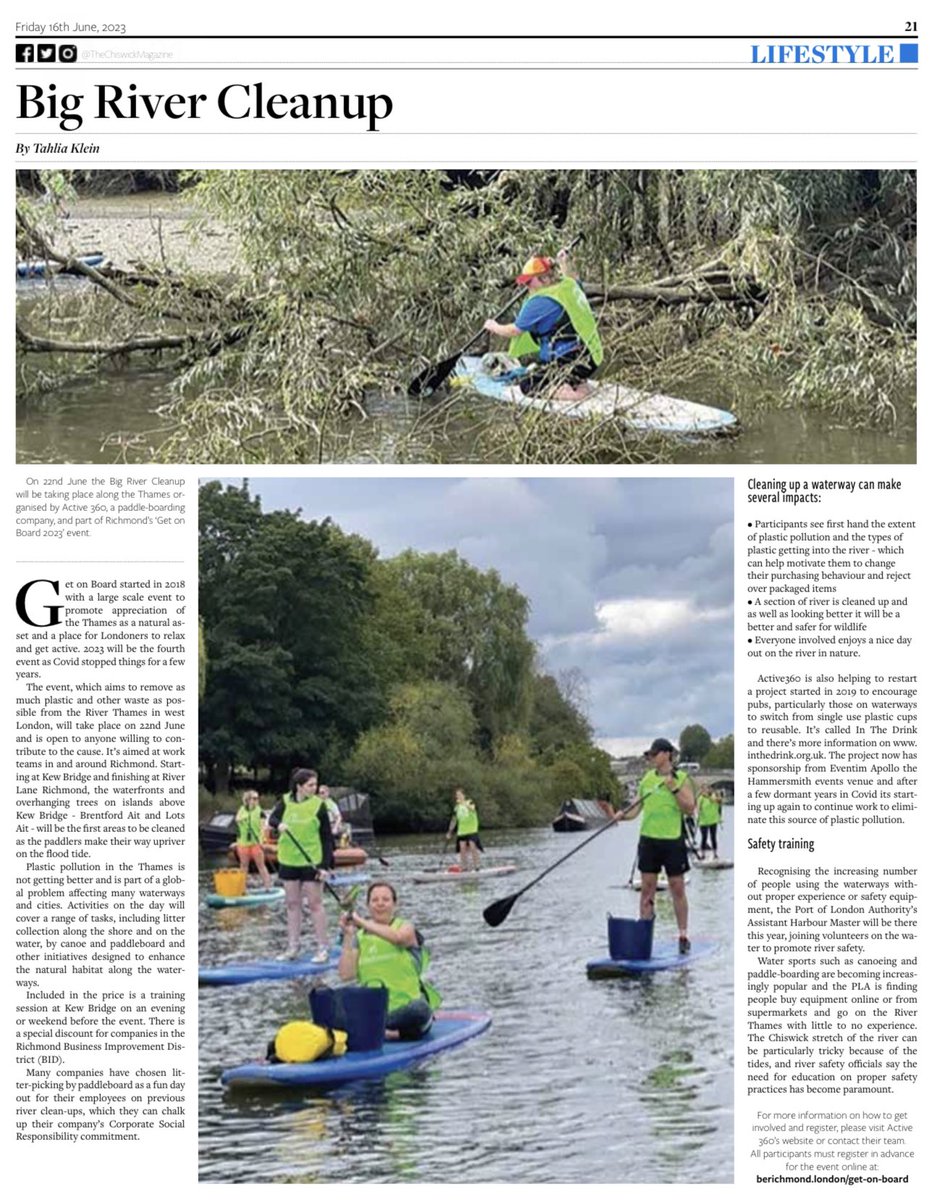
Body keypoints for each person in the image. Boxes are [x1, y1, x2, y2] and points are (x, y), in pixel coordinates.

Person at [483, 246, 604, 401]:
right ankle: (578, 383)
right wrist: (564, 263)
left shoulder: (539, 301)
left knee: (528, 384)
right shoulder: (568, 286)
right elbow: (574, 279)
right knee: (540, 366)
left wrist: (493, 326)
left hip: (568, 361)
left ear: (544, 279)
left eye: (529, 282)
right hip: (590, 358)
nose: (526, 286)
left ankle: (573, 394)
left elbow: (514, 330)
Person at [614, 738, 695, 954]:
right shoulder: (647, 779)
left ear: (667, 754)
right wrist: (621, 816)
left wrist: (674, 789)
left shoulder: (682, 778)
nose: (651, 758)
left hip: (672, 840)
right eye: (649, 754)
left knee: (677, 888)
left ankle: (683, 935)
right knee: (647, 890)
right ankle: (643, 936)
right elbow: (636, 809)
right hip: (649, 840)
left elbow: (689, 808)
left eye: (654, 754)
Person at [338, 882, 441, 1041]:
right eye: (375, 900)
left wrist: (362, 922)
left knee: (419, 1009)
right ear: (368, 905)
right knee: (334, 1010)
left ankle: (383, 1031)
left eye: (385, 900)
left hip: (407, 1011)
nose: (380, 904)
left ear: (395, 904)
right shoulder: (360, 937)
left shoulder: (406, 928)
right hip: (376, 1012)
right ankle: (378, 1028)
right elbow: (346, 975)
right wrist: (348, 935)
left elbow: (398, 939)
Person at [267, 768, 334, 961]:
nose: (314, 788)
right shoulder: (285, 801)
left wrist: (324, 866)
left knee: (315, 904)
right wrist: (278, 825)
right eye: (310, 785)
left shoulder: (319, 806)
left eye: (316, 784)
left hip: (312, 860)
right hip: (289, 859)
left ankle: (322, 948)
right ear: (299, 786)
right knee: (292, 904)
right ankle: (292, 947)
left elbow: (327, 838)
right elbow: (273, 819)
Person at [233, 789, 273, 890]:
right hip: (243, 842)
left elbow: (263, 826)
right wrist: (245, 817)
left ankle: (268, 887)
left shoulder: (260, 812)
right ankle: (242, 888)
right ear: (248, 800)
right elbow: (237, 819)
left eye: (257, 798)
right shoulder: (242, 809)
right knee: (244, 866)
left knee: (261, 865)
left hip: (256, 843)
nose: (256, 800)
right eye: (254, 798)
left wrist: (261, 840)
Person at [445, 787, 482, 871]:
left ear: (464, 795)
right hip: (462, 831)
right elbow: (454, 820)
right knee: (462, 849)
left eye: (459, 795)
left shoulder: (470, 802)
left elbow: (472, 808)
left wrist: (464, 803)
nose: (458, 797)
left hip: (472, 829)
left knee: (473, 847)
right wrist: (450, 832)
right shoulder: (456, 808)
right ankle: (464, 867)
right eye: (457, 795)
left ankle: (477, 866)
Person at [697, 788, 723, 859]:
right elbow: (698, 808)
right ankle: (703, 854)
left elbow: (719, 801)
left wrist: (709, 797)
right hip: (703, 821)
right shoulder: (701, 798)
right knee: (704, 837)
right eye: (704, 789)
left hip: (713, 820)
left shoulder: (715, 796)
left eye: (707, 789)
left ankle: (715, 854)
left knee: (713, 837)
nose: (706, 791)